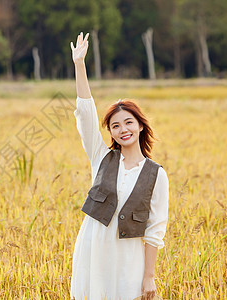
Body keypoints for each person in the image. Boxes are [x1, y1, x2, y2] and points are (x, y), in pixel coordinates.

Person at [69, 32, 169, 300]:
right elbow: (86, 114)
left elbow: (155, 229)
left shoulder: (156, 174)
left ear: (139, 125)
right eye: (115, 125)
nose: (122, 129)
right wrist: (80, 65)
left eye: (128, 122)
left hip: (129, 258)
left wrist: (149, 276)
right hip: (94, 250)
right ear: (110, 133)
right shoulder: (101, 157)